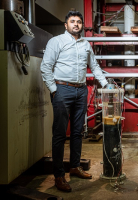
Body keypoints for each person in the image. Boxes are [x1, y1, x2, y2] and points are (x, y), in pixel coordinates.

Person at [40, 11, 108, 192]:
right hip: (62, 89)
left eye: (79, 22)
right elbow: (45, 67)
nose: (76, 24)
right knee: (60, 134)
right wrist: (54, 91)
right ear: (66, 25)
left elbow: (94, 66)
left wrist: (106, 84)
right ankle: (59, 175)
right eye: (72, 21)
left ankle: (75, 166)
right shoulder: (56, 42)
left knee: (78, 132)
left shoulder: (85, 44)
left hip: (81, 90)